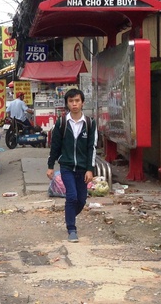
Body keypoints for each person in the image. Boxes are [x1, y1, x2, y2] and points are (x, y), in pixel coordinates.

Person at [46, 88, 97, 243]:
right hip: (66, 166)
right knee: (72, 196)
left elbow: (91, 148)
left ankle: (69, 216)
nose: (74, 104)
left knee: (81, 199)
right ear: (67, 104)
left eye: (77, 101)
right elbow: (55, 146)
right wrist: (50, 165)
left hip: (82, 168)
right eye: (71, 101)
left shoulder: (89, 123)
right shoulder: (62, 123)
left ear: (82, 102)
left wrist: (90, 169)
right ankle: (71, 229)